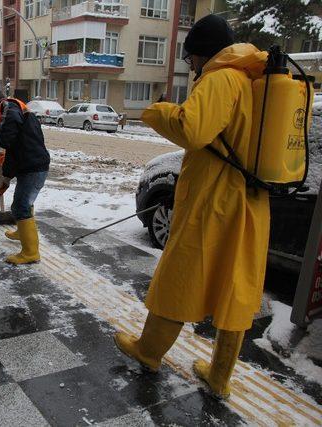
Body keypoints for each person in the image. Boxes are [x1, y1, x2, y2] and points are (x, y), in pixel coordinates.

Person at [113, 15, 270, 399]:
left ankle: (149, 352)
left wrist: (156, 112)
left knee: (179, 276)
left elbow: (194, 129)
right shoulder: (253, 81)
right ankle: (219, 377)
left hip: (213, 201)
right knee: (237, 287)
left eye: (191, 60)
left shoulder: (221, 79)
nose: (192, 68)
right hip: (250, 201)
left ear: (200, 55)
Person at [0, 87, 50, 265]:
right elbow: (12, 155)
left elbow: (9, 131)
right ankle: (22, 232)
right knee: (24, 203)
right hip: (29, 165)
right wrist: (5, 179)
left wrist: (0, 146)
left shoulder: (9, 107)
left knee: (20, 206)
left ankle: (30, 253)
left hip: (34, 168)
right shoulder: (9, 113)